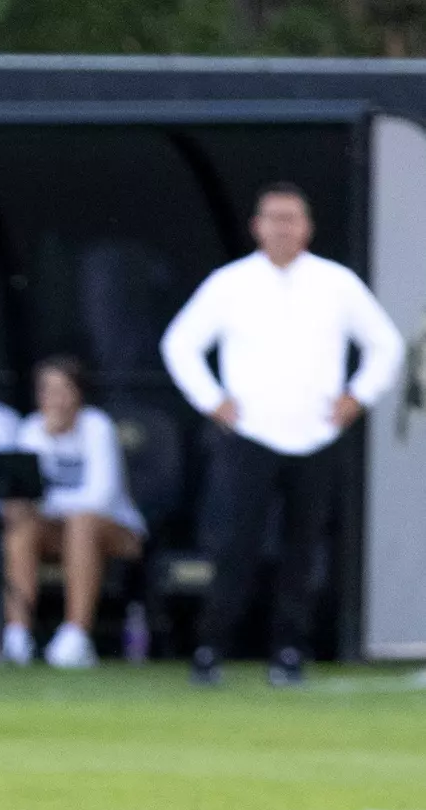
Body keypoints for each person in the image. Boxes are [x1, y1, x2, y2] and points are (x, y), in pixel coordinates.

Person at [161, 182, 403, 686]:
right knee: (236, 545)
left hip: (315, 435)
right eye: (273, 217)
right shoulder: (230, 284)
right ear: (256, 225)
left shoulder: (336, 284)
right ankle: (211, 648)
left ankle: (290, 650)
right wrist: (213, 401)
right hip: (250, 434)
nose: (282, 227)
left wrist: (356, 397)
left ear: (307, 226)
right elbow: (180, 343)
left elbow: (385, 344)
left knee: (304, 549)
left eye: (291, 218)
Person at [1, 356, 146, 669]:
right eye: (47, 391)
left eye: (63, 390)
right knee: (21, 528)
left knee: (81, 524)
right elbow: (26, 496)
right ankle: (17, 636)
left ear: (79, 393)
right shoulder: (31, 429)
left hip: (117, 532)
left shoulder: (97, 426)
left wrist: (44, 503)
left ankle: (76, 635)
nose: (56, 400)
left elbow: (99, 498)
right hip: (59, 532)